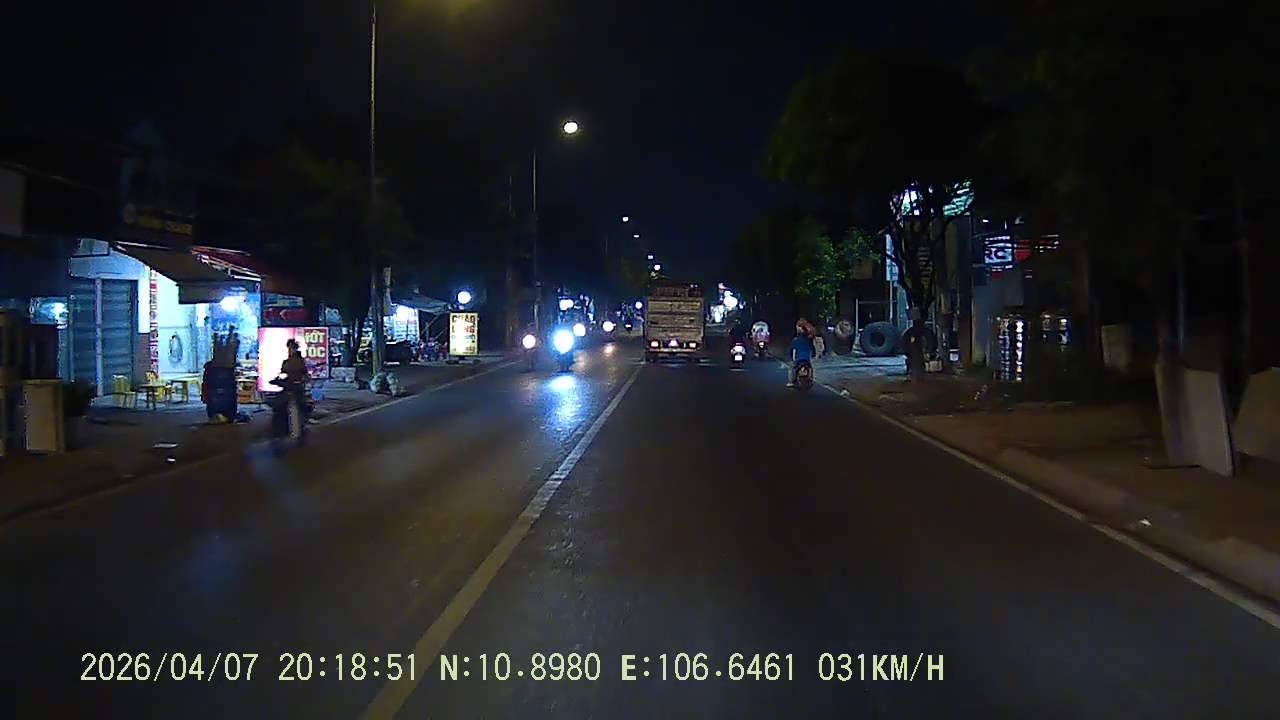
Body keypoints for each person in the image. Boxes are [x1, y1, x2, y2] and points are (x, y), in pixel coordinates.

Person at [787, 322, 816, 387]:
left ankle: (791, 382)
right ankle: (811, 380)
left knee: (792, 368)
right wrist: (813, 355)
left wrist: (791, 357)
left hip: (798, 360)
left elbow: (791, 350)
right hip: (806, 359)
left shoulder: (795, 340)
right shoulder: (809, 340)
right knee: (811, 368)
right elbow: (813, 349)